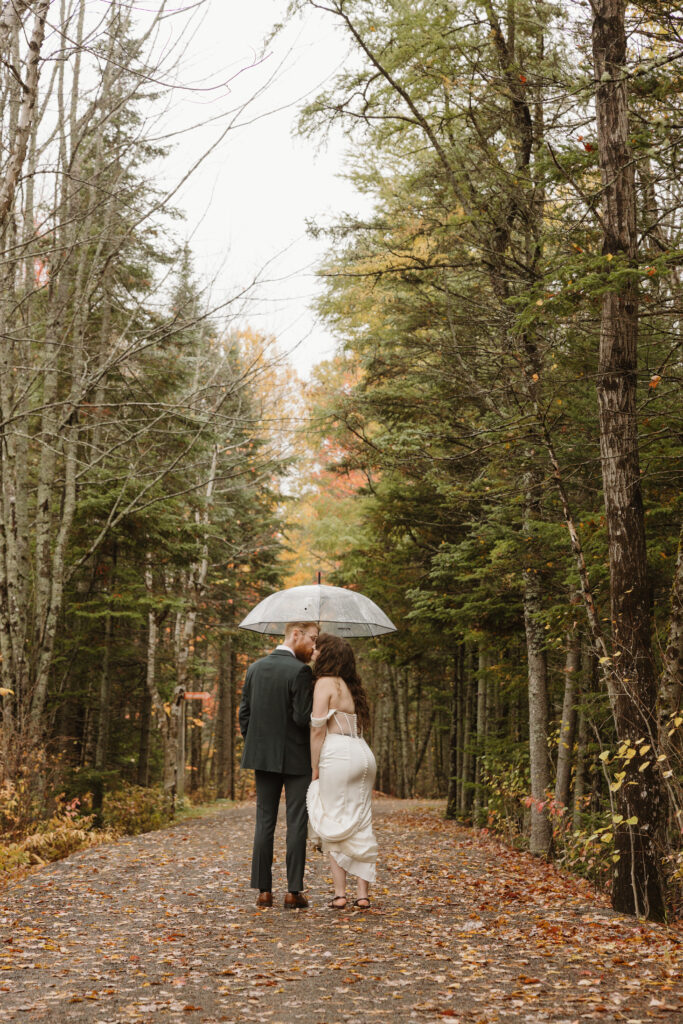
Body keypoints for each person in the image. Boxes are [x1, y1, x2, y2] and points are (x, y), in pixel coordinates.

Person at [239, 621, 319, 909]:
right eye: (312, 638)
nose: (313, 646)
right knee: (296, 822)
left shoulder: (254, 669)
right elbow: (301, 718)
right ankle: (293, 892)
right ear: (294, 634)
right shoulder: (301, 671)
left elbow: (244, 715)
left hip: (262, 756)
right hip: (297, 757)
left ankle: (264, 891)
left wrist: (257, 744)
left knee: (265, 821)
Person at [307, 633, 378, 910]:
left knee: (333, 820)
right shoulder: (352, 686)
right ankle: (363, 894)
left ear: (328, 655)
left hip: (337, 754)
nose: (313, 652)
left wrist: (314, 767)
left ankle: (340, 894)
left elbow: (317, 729)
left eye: (317, 649)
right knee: (361, 821)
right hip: (362, 753)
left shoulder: (324, 683)